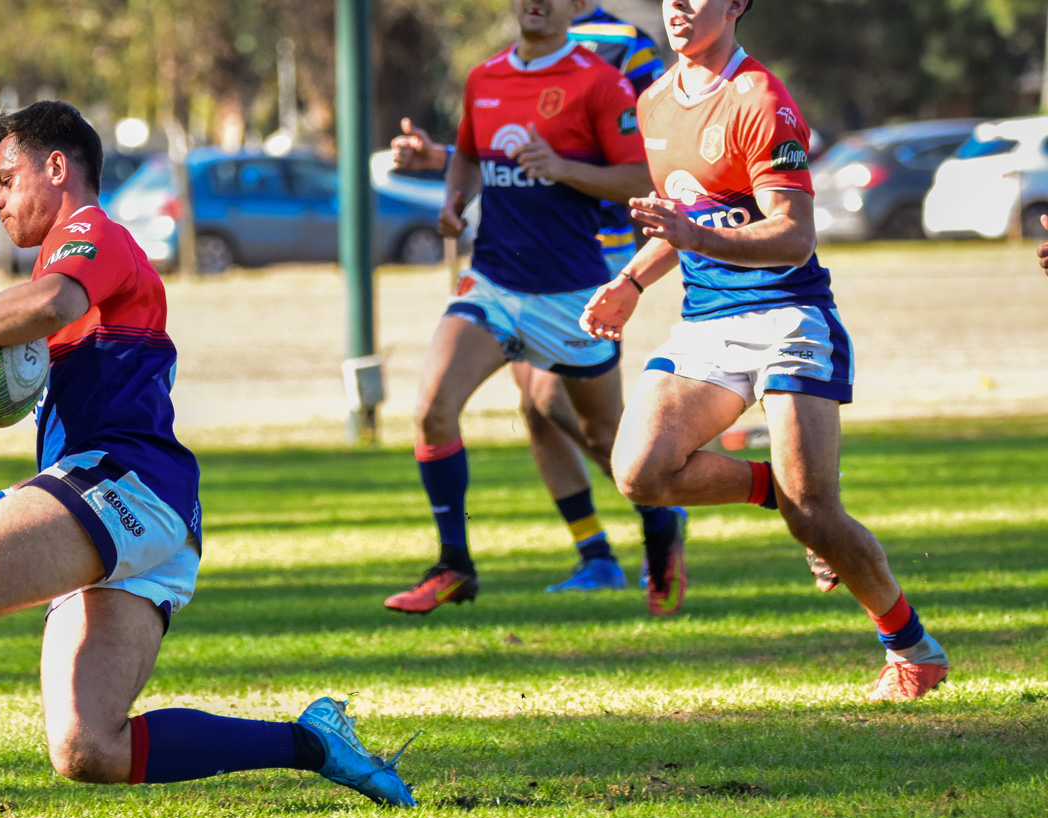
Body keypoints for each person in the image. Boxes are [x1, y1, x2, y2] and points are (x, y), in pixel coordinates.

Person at [0, 102, 416, 818]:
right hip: (146, 509)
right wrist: (4, 501)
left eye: (5, 179)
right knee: (89, 746)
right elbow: (102, 405)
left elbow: (56, 304)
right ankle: (312, 741)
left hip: (127, 483)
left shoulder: (88, 232)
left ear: (56, 168)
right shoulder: (58, 270)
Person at [580, 0, 950, 701]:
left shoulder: (761, 100)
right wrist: (630, 281)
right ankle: (772, 488)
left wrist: (699, 241)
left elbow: (793, 234)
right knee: (640, 472)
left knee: (816, 512)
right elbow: (685, 219)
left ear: (736, 5)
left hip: (789, 315)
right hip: (706, 322)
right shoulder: (655, 101)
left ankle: (912, 648)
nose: (679, 8)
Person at [384, 0, 688, 617]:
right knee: (431, 411)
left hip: (572, 294)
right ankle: (455, 566)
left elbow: (640, 178)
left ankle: (660, 524)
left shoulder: (602, 78)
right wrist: (453, 199)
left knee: (606, 436)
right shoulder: (485, 76)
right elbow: (472, 153)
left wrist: (565, 169)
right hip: (493, 281)